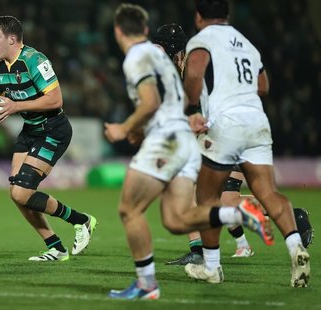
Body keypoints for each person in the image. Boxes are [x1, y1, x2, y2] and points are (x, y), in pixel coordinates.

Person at [105, 3, 272, 300]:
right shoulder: (163, 58)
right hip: (184, 140)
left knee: (129, 209)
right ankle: (238, 213)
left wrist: (126, 128)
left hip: (166, 140)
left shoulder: (137, 57)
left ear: (118, 31)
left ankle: (146, 284)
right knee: (176, 219)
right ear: (144, 30)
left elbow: (151, 102)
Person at [183, 0, 310, 287]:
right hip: (257, 121)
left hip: (226, 123)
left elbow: (194, 72)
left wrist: (193, 110)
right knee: (268, 192)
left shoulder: (202, 39)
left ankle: (212, 267)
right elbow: (263, 85)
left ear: (199, 16)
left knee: (205, 198)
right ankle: (295, 248)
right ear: (227, 15)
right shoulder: (246, 43)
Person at [0, 16, 97, 261]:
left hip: (53, 129)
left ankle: (82, 221)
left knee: (21, 193)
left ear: (12, 39)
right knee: (17, 192)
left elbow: (56, 100)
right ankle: (56, 247)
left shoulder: (35, 61)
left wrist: (15, 106)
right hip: (30, 130)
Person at [151, 24, 254, 265]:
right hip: (235, 129)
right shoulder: (192, 65)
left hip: (229, 131)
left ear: (172, 51)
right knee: (215, 196)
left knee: (188, 186)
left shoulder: (192, 69)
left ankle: (202, 253)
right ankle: (200, 250)